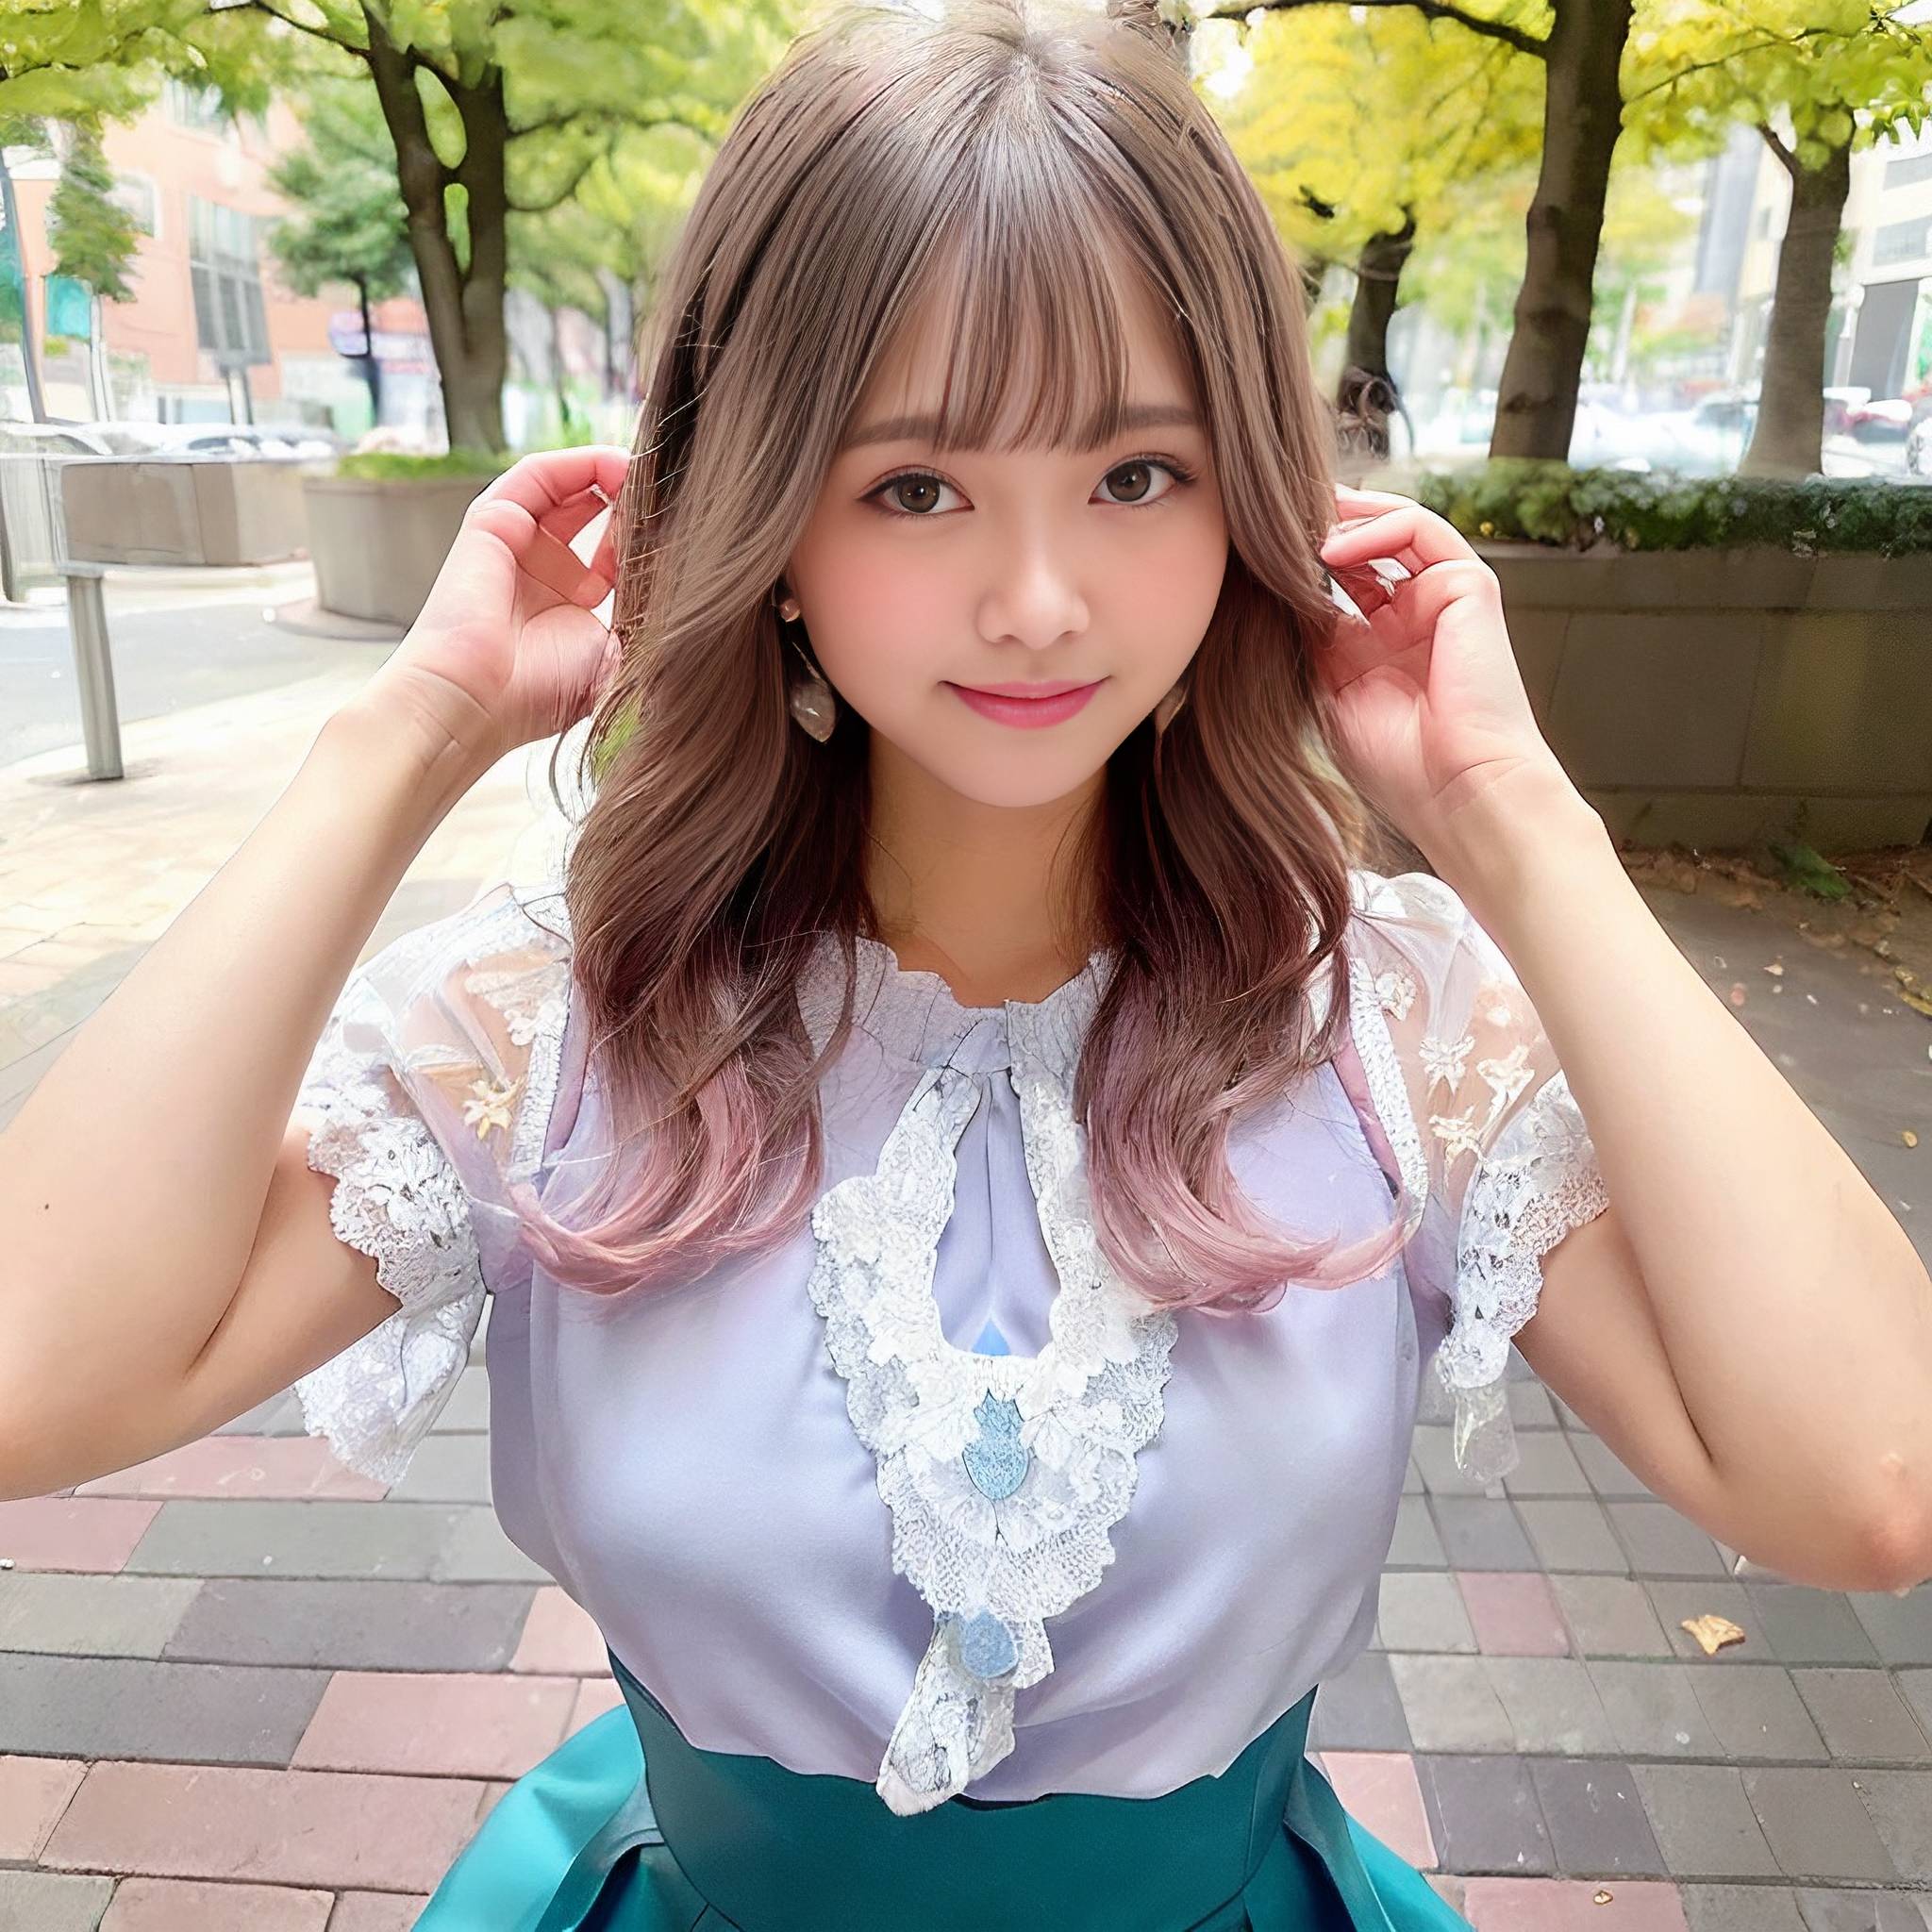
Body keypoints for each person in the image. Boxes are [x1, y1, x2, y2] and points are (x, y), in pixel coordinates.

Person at [7, 0, 1929, 1924]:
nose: (1034, 599)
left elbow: (1861, 1477)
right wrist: (398, 741)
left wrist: (1513, 819)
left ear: (1253, 492)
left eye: (1138, 476)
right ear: (770, 516)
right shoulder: (570, 1022)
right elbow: (38, 1379)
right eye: (914, 486)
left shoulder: (1378, 1023)